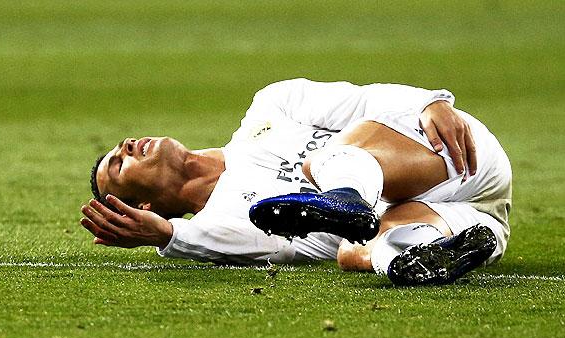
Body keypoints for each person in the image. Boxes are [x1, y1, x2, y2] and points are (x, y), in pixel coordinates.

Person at [80, 79, 511, 285]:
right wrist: (168, 236)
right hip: (471, 215)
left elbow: (364, 100)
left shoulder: (269, 108)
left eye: (119, 147)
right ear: (144, 207)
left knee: (321, 162)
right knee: (351, 252)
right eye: (119, 165)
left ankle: (347, 197)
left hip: (452, 152)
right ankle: (417, 256)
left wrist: (431, 102)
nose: (126, 145)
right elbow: (216, 240)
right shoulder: (233, 221)